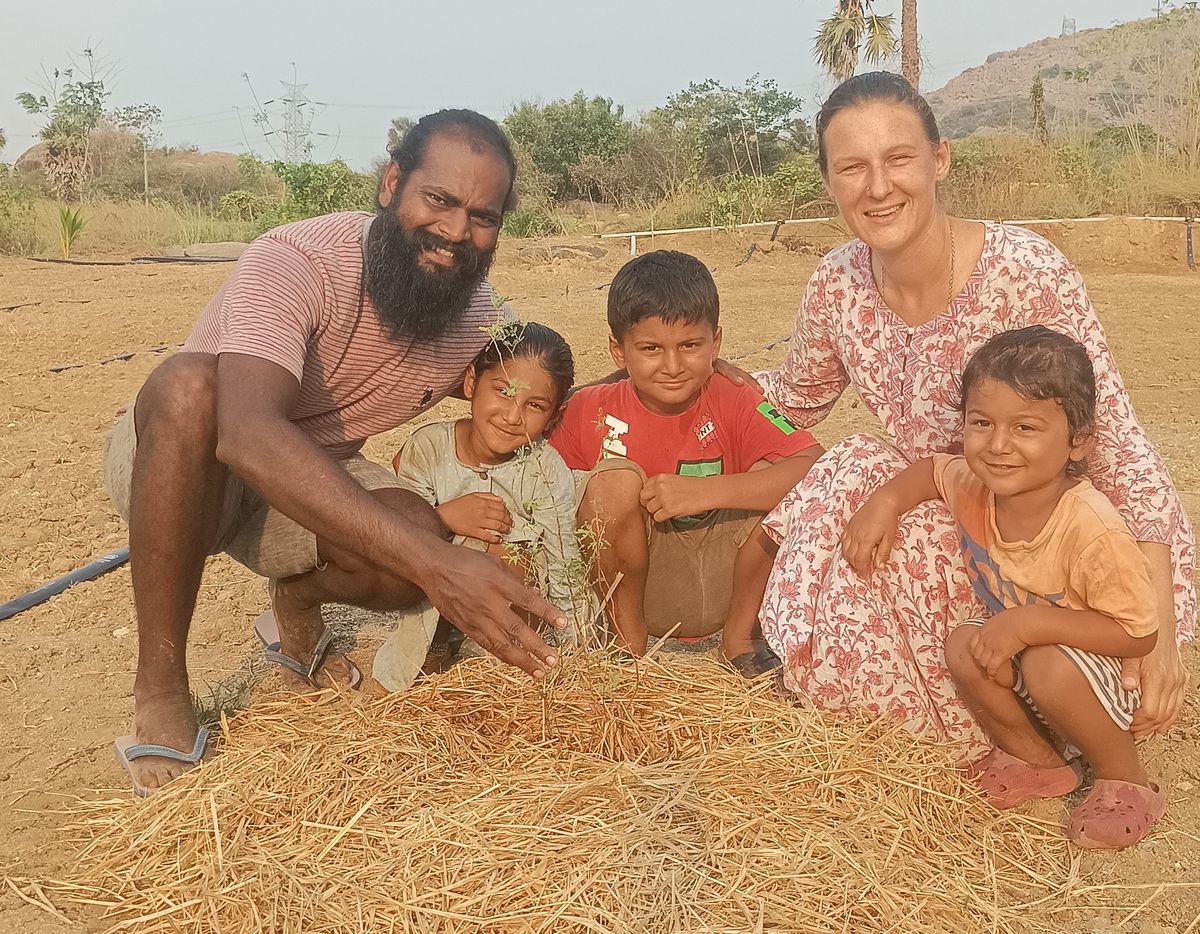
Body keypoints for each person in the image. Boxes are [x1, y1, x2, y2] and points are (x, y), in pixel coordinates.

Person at [102, 110, 567, 796]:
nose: (456, 232)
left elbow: (524, 385)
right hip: (186, 455)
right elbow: (247, 432)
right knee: (190, 384)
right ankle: (162, 688)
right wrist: (443, 570)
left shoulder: (475, 315)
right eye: (438, 200)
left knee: (417, 531)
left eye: (483, 216)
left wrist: (705, 390)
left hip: (311, 473)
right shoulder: (296, 260)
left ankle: (295, 599)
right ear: (391, 185)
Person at [753, 72, 1194, 760]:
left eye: (898, 159)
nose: (878, 187)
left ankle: (1020, 719)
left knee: (910, 523)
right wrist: (677, 380)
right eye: (852, 168)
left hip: (1036, 532)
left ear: (940, 159)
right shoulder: (837, 282)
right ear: (830, 181)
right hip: (941, 496)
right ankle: (880, 709)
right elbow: (793, 398)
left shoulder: (1026, 270)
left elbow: (1118, 451)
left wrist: (1161, 630)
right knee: (854, 470)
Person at [844, 327, 1163, 848]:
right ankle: (1039, 763)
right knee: (964, 645)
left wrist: (1028, 622)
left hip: (1098, 678)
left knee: (1045, 662)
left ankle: (1124, 778)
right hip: (1026, 655)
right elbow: (929, 472)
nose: (997, 446)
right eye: (981, 423)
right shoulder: (977, 486)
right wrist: (884, 504)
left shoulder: (1089, 527)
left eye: (1026, 427)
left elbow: (1138, 635)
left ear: (1078, 441)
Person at [550, 250, 823, 674]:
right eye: (651, 348)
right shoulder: (588, 410)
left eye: (691, 345)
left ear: (716, 342)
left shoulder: (735, 396)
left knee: (780, 479)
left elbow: (816, 465)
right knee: (612, 484)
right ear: (618, 351)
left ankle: (741, 638)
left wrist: (705, 492)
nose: (673, 366)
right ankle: (625, 644)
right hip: (637, 588)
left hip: (722, 580)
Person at [390, 321, 588, 680]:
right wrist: (443, 519)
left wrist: (573, 643)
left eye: (535, 405)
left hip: (513, 611)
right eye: (503, 391)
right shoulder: (428, 450)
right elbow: (399, 541)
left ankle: (483, 662)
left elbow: (563, 561)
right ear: (470, 383)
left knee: (502, 548)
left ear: (554, 415)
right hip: (432, 603)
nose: (513, 417)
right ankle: (432, 649)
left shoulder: (545, 469)